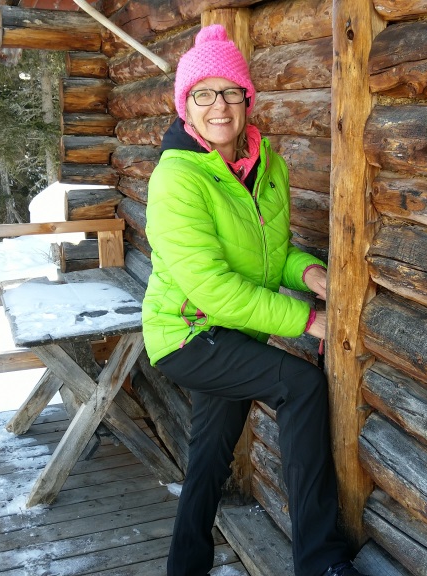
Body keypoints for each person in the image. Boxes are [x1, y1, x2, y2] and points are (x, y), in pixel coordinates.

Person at [141, 24, 368, 576]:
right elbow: (212, 288)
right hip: (187, 333)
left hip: (233, 331)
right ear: (185, 106)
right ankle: (320, 562)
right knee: (301, 386)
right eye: (203, 94)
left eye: (230, 92)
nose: (218, 106)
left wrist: (308, 271)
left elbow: (271, 253)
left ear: (248, 99)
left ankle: (184, 566)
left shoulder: (269, 166)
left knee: (209, 457)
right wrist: (307, 320)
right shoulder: (177, 179)